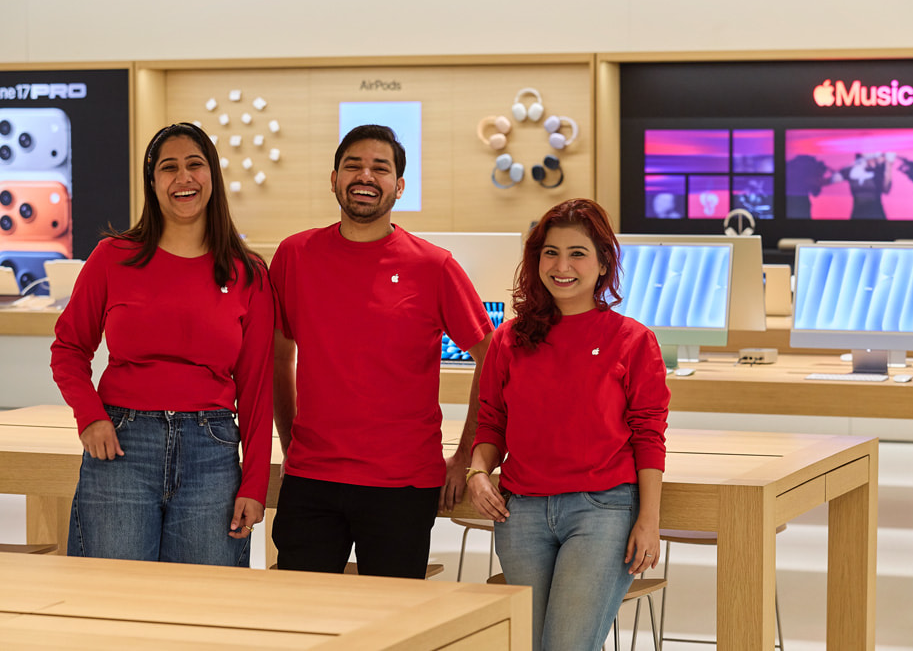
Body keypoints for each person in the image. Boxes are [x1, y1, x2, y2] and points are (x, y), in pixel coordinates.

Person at [269, 124, 493, 578]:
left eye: (380, 168)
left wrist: (466, 453)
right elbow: (278, 355)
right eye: (353, 165)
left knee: (391, 627)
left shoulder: (434, 266)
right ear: (333, 178)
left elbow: (492, 358)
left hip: (403, 484)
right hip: (312, 477)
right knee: (297, 616)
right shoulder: (295, 255)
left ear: (399, 186)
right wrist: (289, 439)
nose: (365, 176)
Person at [51, 122, 274, 566]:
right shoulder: (112, 257)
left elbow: (257, 386)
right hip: (121, 447)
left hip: (212, 453)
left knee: (203, 607)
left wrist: (254, 484)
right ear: (153, 184)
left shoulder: (248, 272)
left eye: (195, 165)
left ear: (212, 175)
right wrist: (90, 418)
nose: (183, 178)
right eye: (169, 168)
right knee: (113, 601)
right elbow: (69, 349)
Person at [466, 198, 669, 650]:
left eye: (577, 253)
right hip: (521, 515)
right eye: (550, 252)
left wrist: (649, 521)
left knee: (567, 646)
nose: (562, 265)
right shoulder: (509, 340)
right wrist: (478, 472)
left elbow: (648, 435)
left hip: (602, 512)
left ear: (602, 264)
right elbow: (491, 423)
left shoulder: (633, 340)